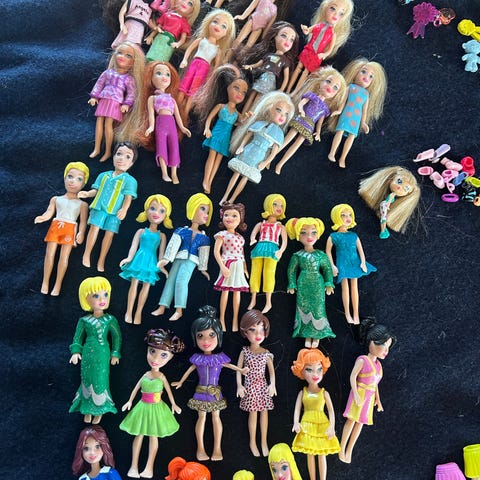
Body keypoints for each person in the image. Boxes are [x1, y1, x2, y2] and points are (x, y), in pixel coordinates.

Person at [172, 306, 249, 461]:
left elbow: (229, 366)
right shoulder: (198, 358)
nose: (206, 341)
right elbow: (190, 370)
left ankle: (217, 449)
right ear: (195, 338)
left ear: (218, 336)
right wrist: (181, 381)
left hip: (215, 393)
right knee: (201, 418)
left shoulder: (219, 358)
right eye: (200, 336)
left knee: (216, 417)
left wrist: (241, 370)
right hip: (200, 392)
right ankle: (200, 449)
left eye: (211, 335)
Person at [120, 328, 185, 478]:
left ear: (170, 358)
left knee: (153, 436)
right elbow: (136, 389)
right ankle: (133, 467)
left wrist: (174, 404)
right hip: (142, 407)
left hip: (156, 408)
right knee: (139, 435)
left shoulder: (161, 377)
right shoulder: (145, 374)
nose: (155, 358)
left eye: (163, 355)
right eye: (152, 351)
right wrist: (129, 401)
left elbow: (168, 392)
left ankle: (149, 468)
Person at [339, 319, 396, 463]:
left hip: (369, 398)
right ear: (371, 342)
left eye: (388, 347)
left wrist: (378, 400)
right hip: (359, 393)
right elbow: (352, 377)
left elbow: (375, 385)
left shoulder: (379, 366)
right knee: (351, 420)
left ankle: (349, 450)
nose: (386, 351)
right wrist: (356, 394)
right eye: (383, 345)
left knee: (360, 423)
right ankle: (342, 448)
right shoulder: (363, 360)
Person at [69, 277, 122, 424]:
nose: (102, 299)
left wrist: (115, 353)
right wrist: (75, 351)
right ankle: (87, 409)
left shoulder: (110, 320)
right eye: (96, 296)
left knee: (101, 380)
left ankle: (101, 410)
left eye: (105, 294)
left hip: (103, 354)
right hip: (87, 354)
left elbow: (117, 337)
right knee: (86, 379)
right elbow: (77, 338)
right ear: (86, 299)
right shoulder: (84, 321)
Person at [151, 193, 212, 321]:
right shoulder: (181, 230)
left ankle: (179, 310)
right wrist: (166, 259)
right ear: (193, 208)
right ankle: (162, 306)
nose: (206, 214)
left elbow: (204, 254)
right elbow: (173, 245)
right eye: (202, 209)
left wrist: (203, 269)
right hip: (178, 258)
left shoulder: (204, 237)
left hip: (191, 261)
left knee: (182, 282)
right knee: (170, 280)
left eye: (207, 211)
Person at [80, 142, 138, 272]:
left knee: (109, 234)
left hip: (115, 213)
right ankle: (86, 254)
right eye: (119, 154)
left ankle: (101, 261)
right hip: (99, 207)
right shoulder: (103, 175)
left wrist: (124, 209)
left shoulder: (130, 181)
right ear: (113, 156)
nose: (121, 158)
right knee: (94, 228)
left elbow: (128, 198)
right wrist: (87, 194)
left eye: (128, 156)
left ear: (132, 163)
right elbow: (96, 190)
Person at [34, 162, 89, 295]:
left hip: (70, 228)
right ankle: (45, 282)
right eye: (70, 176)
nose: (72, 181)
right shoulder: (56, 199)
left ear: (83, 184)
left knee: (64, 257)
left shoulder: (82, 204)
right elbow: (49, 212)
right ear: (64, 178)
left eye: (79, 179)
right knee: (49, 255)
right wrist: (43, 217)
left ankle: (57, 285)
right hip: (56, 227)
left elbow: (83, 222)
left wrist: (81, 233)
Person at [119, 194, 173, 324]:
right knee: (134, 284)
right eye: (152, 208)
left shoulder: (162, 236)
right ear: (146, 210)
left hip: (151, 262)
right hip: (139, 259)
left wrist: (162, 268)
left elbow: (161, 255)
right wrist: (128, 258)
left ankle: (138, 313)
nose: (156, 213)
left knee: (146, 287)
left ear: (166, 216)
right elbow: (133, 247)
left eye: (162, 211)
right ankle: (129, 312)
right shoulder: (141, 231)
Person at [285, 217, 335, 347]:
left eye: (313, 232)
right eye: (303, 233)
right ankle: (306, 335)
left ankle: (317, 335)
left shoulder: (321, 255)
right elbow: (291, 270)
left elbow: (327, 269)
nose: (309, 236)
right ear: (297, 235)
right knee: (303, 306)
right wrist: (292, 283)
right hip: (303, 283)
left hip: (318, 283)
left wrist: (329, 283)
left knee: (318, 308)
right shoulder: (297, 255)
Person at [291, 348, 340, 480]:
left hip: (322, 425)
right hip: (307, 425)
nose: (315, 374)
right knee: (310, 453)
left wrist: (332, 427)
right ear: (301, 371)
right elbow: (297, 409)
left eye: (319, 369)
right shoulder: (303, 392)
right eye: (309, 369)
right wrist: (296, 422)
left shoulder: (324, 393)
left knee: (321, 453)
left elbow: (331, 411)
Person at [325, 204, 376, 325]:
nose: (347, 218)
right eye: (343, 215)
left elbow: (361, 251)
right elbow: (328, 252)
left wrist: (363, 262)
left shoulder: (354, 235)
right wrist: (332, 265)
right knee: (345, 288)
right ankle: (347, 313)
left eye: (349, 215)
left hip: (355, 262)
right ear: (337, 217)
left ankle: (356, 314)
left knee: (354, 288)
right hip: (342, 263)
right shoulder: (333, 236)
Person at [237, 310, 276, 457]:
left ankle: (264, 442)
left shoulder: (266, 353)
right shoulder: (245, 351)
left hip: (262, 386)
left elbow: (271, 372)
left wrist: (272, 384)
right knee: (253, 414)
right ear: (245, 332)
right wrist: (239, 385)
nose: (258, 334)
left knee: (264, 413)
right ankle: (253, 442)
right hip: (250, 387)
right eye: (252, 330)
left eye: (261, 329)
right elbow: (239, 370)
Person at [213, 202, 249, 331]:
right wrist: (222, 267)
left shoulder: (240, 237)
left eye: (234, 216)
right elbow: (216, 252)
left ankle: (235, 320)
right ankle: (222, 319)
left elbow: (242, 254)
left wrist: (245, 268)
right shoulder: (222, 234)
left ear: (240, 219)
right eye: (226, 215)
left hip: (238, 265)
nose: (229, 218)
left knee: (237, 292)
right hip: (227, 263)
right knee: (225, 291)